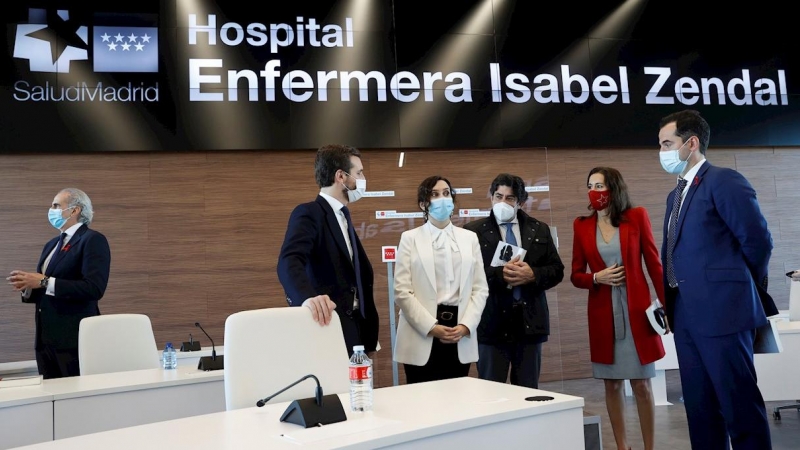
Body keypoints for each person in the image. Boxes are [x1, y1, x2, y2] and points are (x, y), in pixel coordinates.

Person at [657, 110, 773, 449]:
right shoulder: (674, 194)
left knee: (739, 407)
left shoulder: (724, 181)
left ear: (691, 143)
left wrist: (740, 288)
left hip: (724, 312)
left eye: (667, 143)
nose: (661, 152)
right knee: (700, 410)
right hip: (685, 315)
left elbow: (758, 242)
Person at [570, 167, 665, 450]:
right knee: (611, 385)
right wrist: (596, 278)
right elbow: (576, 274)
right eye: (590, 185)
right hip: (603, 315)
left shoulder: (637, 217)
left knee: (641, 384)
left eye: (600, 185)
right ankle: (623, 447)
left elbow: (654, 264)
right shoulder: (581, 225)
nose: (594, 191)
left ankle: (649, 447)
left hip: (636, 312)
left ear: (613, 188)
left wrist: (669, 307)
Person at [277, 144, 379, 357]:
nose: (362, 178)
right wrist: (307, 298)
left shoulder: (343, 216)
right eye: (359, 173)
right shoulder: (310, 213)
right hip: (328, 328)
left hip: (357, 334)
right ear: (341, 176)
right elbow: (289, 261)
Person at [463, 173, 564, 389]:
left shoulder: (539, 229)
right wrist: (499, 275)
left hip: (529, 324)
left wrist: (533, 274)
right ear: (491, 197)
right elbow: (465, 275)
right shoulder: (472, 232)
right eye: (498, 196)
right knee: (491, 393)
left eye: (509, 198)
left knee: (528, 392)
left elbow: (557, 270)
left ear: (521, 202)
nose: (502, 202)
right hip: (491, 324)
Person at [7, 188, 111, 379]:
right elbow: (45, 286)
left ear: (74, 210)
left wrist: (45, 281)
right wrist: (29, 286)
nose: (51, 210)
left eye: (56, 205)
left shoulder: (92, 240)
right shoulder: (51, 244)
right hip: (45, 340)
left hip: (73, 339)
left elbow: (94, 288)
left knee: (76, 401)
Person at [393, 176, 488, 384]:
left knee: (457, 399)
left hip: (459, 331)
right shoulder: (410, 238)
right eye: (434, 194)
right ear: (423, 204)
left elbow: (480, 288)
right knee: (422, 403)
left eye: (446, 193)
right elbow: (401, 291)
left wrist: (466, 325)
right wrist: (430, 326)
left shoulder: (469, 238)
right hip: (421, 331)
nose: (442, 199)